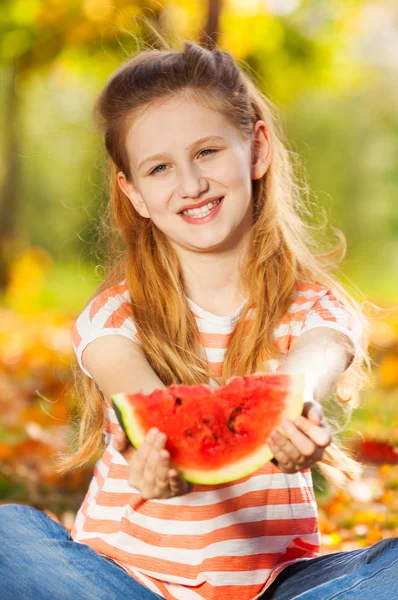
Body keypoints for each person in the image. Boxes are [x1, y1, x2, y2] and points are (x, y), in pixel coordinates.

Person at [1, 40, 397, 600]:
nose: (190, 184)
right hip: (121, 582)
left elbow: (312, 366)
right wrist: (152, 461)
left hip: (273, 588)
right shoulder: (115, 316)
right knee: (7, 535)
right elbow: (140, 408)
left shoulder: (318, 311)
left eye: (208, 152)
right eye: (159, 167)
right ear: (133, 192)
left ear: (257, 150)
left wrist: (298, 414)